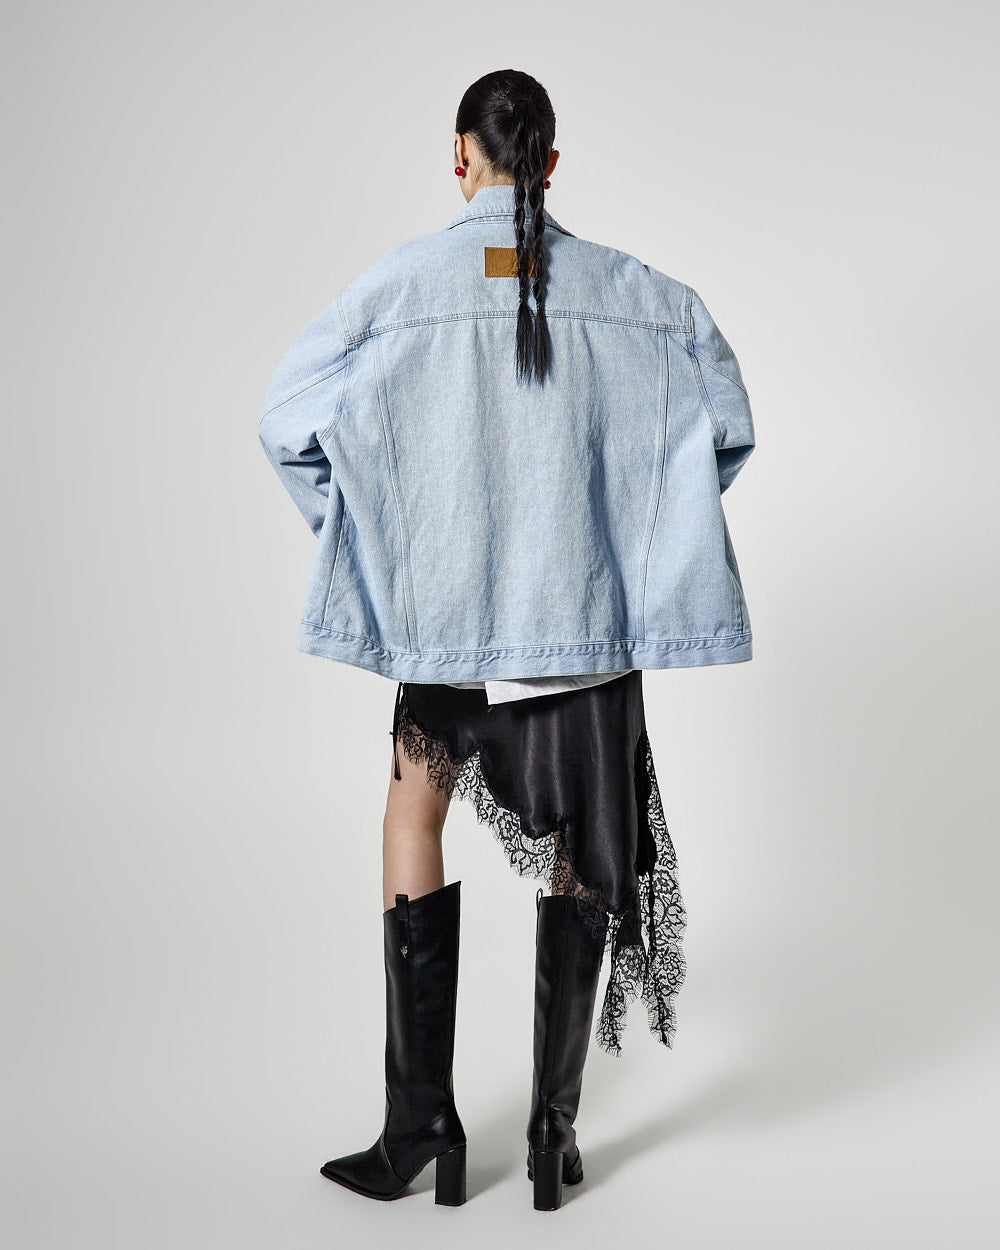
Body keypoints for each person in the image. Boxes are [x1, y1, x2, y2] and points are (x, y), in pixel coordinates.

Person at [258, 68, 756, 1211]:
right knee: (583, 846)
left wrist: (374, 543)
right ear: (551, 164)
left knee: (410, 818)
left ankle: (419, 1126)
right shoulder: (642, 296)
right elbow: (724, 433)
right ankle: (549, 1132)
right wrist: (635, 535)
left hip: (443, 628)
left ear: (459, 156)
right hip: (581, 630)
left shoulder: (395, 287)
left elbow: (284, 423)